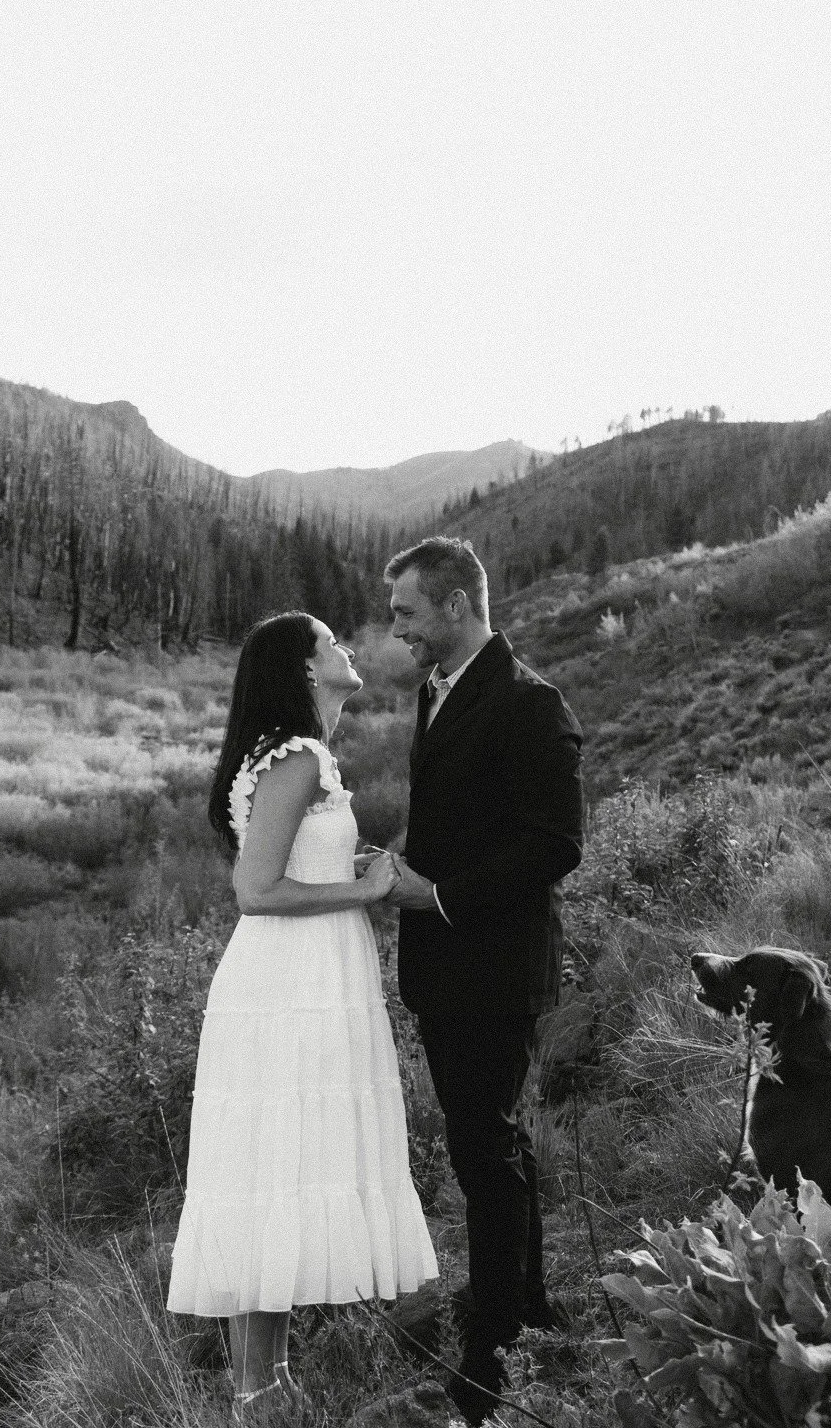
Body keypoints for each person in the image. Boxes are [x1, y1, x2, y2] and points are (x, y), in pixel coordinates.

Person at [167, 611, 438, 1416]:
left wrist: (350, 867)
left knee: (280, 1164)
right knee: (275, 1164)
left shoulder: (296, 757)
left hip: (308, 974)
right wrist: (368, 888)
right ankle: (256, 1390)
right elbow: (255, 892)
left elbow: (291, 864)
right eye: (330, 642)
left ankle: (271, 1383)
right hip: (291, 983)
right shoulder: (297, 758)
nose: (346, 649)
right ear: (305, 671)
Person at [382, 538, 585, 1425]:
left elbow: (555, 845)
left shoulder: (530, 703)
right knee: (494, 1143)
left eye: (407, 613)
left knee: (483, 1152)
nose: (398, 632)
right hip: (445, 967)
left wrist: (442, 896)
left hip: (495, 966)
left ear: (458, 604)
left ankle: (492, 1359)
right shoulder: (439, 691)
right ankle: (530, 1308)